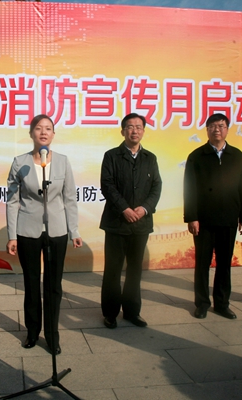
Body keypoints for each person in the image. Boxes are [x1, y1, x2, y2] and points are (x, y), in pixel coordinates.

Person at [6, 114, 82, 355]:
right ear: (31, 133)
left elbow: (69, 198)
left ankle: (52, 335)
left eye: (48, 128)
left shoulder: (62, 162)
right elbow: (12, 201)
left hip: (56, 230)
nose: (43, 132)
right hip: (27, 230)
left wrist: (74, 230)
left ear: (53, 134)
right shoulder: (20, 162)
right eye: (38, 128)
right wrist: (12, 235)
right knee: (31, 284)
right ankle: (32, 332)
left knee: (53, 286)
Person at [184, 113, 242, 320]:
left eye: (221, 126)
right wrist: (191, 217)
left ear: (227, 129)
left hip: (229, 218)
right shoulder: (197, 156)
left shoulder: (237, 156)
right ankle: (202, 303)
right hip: (204, 220)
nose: (217, 130)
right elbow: (189, 189)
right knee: (202, 264)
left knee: (224, 264)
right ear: (207, 130)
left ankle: (222, 304)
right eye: (212, 126)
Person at [99, 113, 162, 329]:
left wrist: (144, 209)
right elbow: (107, 185)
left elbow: (156, 187)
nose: (134, 130)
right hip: (117, 223)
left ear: (143, 131)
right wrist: (124, 209)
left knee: (135, 270)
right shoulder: (111, 156)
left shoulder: (150, 158)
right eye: (130, 127)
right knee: (113, 270)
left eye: (138, 127)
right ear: (123, 131)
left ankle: (132, 311)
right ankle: (110, 313)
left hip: (141, 224)